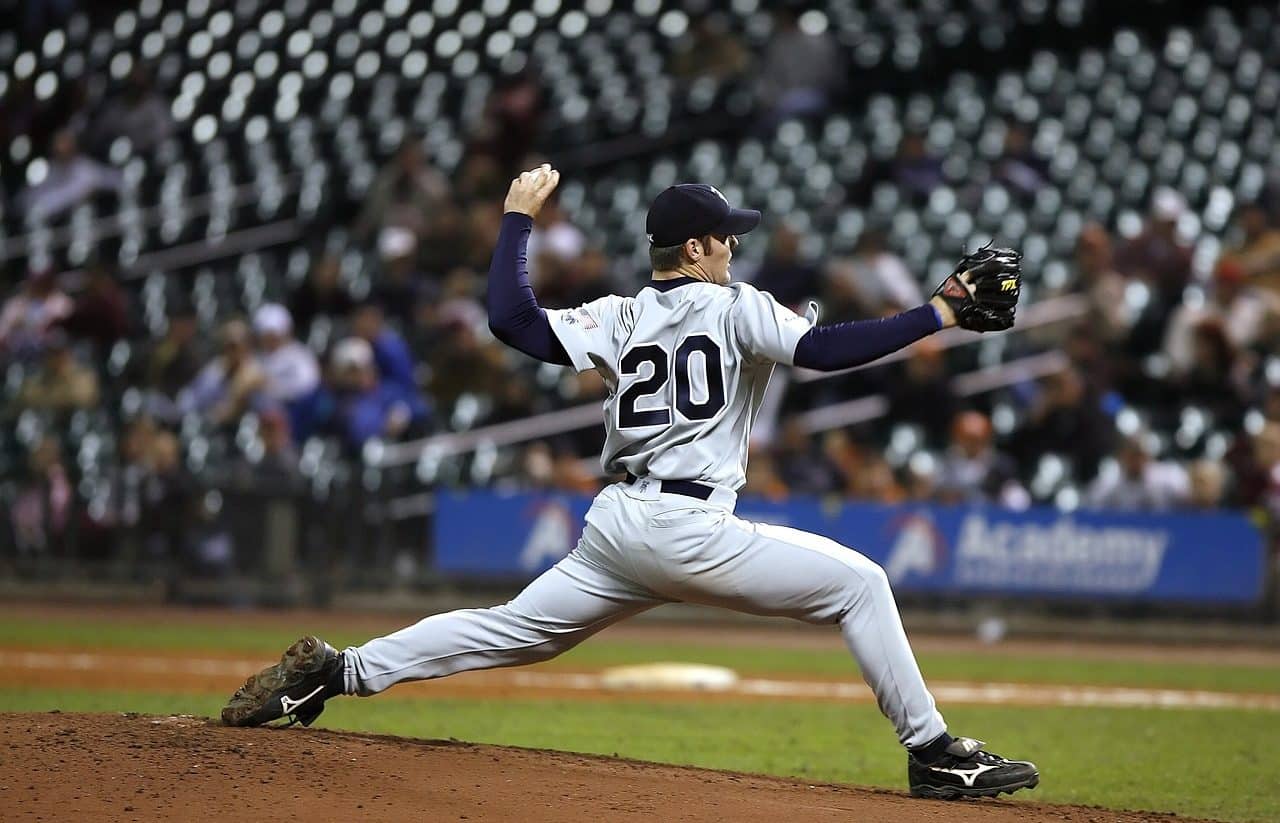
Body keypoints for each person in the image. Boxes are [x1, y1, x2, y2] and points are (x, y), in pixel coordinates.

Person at [223, 167, 1037, 800]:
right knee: (861, 584)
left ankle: (340, 671)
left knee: (512, 629)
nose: (732, 249)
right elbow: (823, 353)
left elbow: (510, 318)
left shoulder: (617, 315)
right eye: (723, 239)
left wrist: (517, 217)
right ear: (695, 250)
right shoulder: (735, 306)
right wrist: (942, 311)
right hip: (690, 529)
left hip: (618, 526)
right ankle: (934, 755)